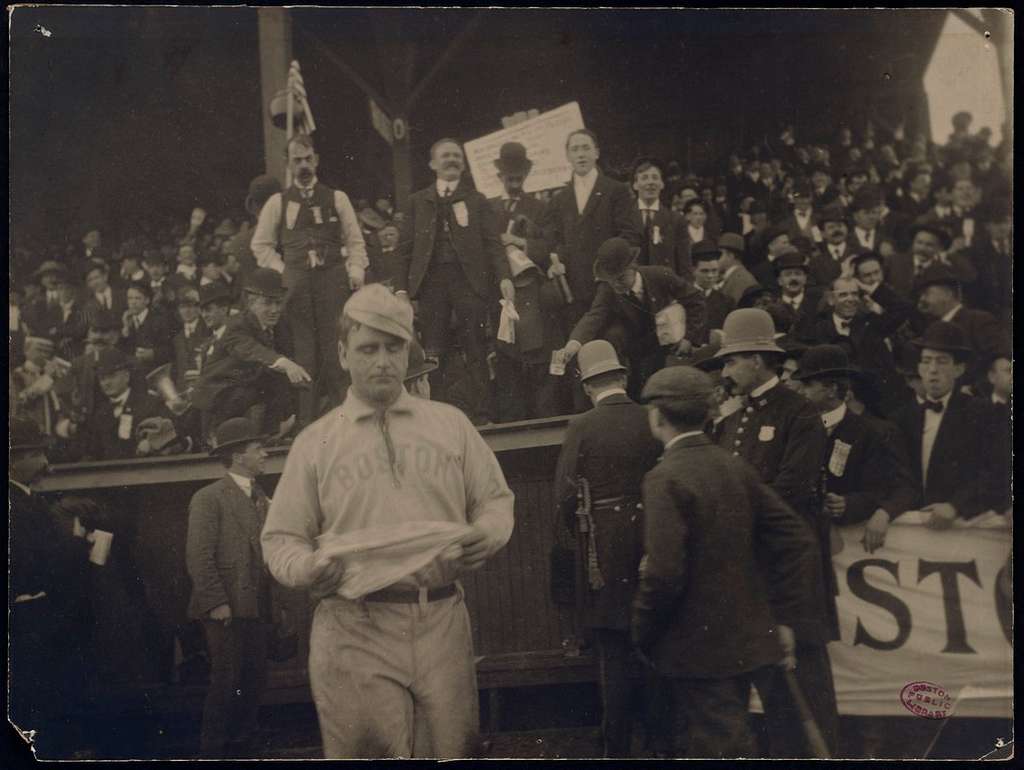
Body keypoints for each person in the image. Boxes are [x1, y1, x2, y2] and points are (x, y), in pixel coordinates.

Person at [261, 284, 515, 758]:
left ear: (408, 351)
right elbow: (281, 539)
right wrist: (308, 567)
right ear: (342, 353)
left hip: (441, 617)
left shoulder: (450, 424)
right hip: (356, 623)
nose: (382, 361)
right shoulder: (316, 442)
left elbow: (496, 501)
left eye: (394, 348)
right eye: (368, 349)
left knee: (455, 752)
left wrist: (489, 533)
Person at [633, 366, 815, 759]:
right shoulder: (735, 466)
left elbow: (663, 573)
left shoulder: (663, 478)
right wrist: (782, 615)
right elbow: (797, 538)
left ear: (658, 417)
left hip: (696, 649)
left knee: (720, 747)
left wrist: (643, 628)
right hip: (752, 638)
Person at [712, 308, 838, 757]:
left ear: (759, 360)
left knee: (809, 683)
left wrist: (732, 519)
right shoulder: (734, 420)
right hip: (755, 571)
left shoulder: (798, 412)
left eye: (732, 361)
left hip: (791, 570)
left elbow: (793, 488)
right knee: (773, 685)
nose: (726, 371)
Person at [552, 340, 663, 757]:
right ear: (623, 377)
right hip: (654, 537)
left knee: (613, 653)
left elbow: (564, 495)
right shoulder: (650, 417)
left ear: (586, 386)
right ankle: (660, 743)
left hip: (603, 547)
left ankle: (615, 747)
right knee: (653, 643)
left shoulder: (582, 426)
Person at [251, 134, 368, 425]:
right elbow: (261, 245)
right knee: (305, 359)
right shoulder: (277, 203)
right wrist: (284, 272)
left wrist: (355, 271)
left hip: (333, 283)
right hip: (298, 289)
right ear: (288, 164)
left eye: (307, 159)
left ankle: (347, 424)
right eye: (297, 160)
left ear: (316, 160)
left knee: (337, 356)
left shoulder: (336, 197)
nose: (303, 165)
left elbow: (355, 241)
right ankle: (307, 430)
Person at [393, 137, 512, 424]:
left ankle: (484, 416)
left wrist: (505, 278)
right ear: (433, 164)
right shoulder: (417, 202)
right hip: (431, 284)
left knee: (476, 349)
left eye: (457, 156)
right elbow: (404, 249)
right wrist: (400, 289)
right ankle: (440, 418)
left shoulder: (477, 200)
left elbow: (493, 244)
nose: (452, 160)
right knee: (435, 352)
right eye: (446, 155)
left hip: (469, 283)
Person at [186, 417, 274, 758]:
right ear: (238, 456)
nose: (266, 453)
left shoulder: (261, 496)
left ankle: (242, 746)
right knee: (226, 682)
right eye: (258, 449)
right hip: (226, 608)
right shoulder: (209, 498)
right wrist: (216, 602)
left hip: (256, 605)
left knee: (253, 679)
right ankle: (213, 751)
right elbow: (199, 555)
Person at [9, 417, 93, 758]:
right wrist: (76, 542)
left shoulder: (28, 499)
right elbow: (29, 559)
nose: (45, 462)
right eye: (36, 454)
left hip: (36, 610)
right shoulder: (16, 503)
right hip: (30, 613)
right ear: (14, 461)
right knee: (36, 691)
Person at [792, 345, 916, 552]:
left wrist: (848, 504)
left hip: (846, 546)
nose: (801, 391)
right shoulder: (795, 429)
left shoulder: (869, 433)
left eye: (807, 384)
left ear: (831, 389)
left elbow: (887, 488)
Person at [889, 321, 1011, 529]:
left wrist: (956, 506)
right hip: (912, 530)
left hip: (963, 529)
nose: (933, 370)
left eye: (942, 361)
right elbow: (898, 477)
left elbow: (996, 473)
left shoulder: (984, 414)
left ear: (958, 369)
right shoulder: (902, 418)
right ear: (919, 368)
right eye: (926, 361)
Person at [553, 237, 705, 401]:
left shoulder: (660, 275)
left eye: (620, 278)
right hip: (637, 354)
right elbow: (594, 316)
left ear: (633, 267)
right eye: (610, 280)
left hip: (670, 350)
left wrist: (689, 337)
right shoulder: (608, 289)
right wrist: (572, 345)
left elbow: (696, 300)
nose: (616, 284)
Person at [526, 128, 643, 329]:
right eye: (575, 149)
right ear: (568, 156)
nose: (581, 154)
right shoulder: (559, 199)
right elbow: (552, 240)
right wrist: (555, 263)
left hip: (609, 283)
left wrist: (615, 271)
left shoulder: (616, 190)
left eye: (586, 148)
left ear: (596, 152)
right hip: (573, 287)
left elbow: (630, 235)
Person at [488, 141, 562, 421]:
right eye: (509, 175)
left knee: (537, 364)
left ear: (526, 176)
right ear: (500, 177)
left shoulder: (539, 208)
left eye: (519, 175)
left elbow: (549, 245)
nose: (514, 180)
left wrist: (518, 240)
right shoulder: (489, 208)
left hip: (532, 296)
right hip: (501, 293)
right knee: (507, 365)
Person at [191, 268, 307, 445]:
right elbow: (251, 350)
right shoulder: (236, 325)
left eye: (278, 303)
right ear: (251, 302)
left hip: (247, 396)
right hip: (218, 405)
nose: (275, 309)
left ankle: (272, 432)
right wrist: (284, 363)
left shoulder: (277, 325)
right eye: (268, 303)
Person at [912, 263, 1009, 390]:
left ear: (947, 294)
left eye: (926, 293)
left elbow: (1002, 362)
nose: (922, 299)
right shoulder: (931, 328)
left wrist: (975, 389)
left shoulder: (978, 321)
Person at [632, 157, 692, 279]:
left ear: (662, 184)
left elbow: (684, 265)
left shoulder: (676, 220)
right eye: (644, 178)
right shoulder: (623, 217)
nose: (650, 182)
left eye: (655, 178)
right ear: (635, 185)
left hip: (664, 289)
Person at [119, 280, 175, 370]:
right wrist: (125, 329)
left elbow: (171, 349)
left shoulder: (159, 320)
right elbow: (123, 351)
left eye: (137, 298)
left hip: (154, 371)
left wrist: (153, 353)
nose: (133, 302)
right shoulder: (126, 320)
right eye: (130, 298)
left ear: (147, 300)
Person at [690, 242, 735, 336]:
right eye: (704, 271)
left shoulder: (726, 302)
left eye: (714, 271)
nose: (710, 276)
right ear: (693, 270)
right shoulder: (684, 299)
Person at [171, 287, 211, 391]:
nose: (186, 311)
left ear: (198, 309)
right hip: (182, 389)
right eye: (182, 307)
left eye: (191, 306)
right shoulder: (177, 338)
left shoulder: (208, 331)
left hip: (203, 388)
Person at [715, 232, 758, 304]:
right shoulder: (732, 276)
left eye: (719, 254)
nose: (716, 259)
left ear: (730, 256)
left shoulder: (742, 280)